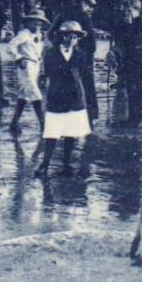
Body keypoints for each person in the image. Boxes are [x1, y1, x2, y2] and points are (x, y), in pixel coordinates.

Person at [36, 20, 92, 177]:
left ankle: (66, 164)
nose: (71, 40)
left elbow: (81, 74)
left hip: (75, 96)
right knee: (52, 132)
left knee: (71, 132)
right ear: (60, 37)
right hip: (57, 95)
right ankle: (45, 164)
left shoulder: (81, 54)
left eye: (75, 37)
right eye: (67, 36)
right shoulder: (51, 54)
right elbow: (49, 72)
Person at [7, 10, 48, 136]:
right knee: (36, 94)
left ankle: (14, 123)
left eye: (39, 24)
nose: (36, 27)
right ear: (28, 23)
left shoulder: (39, 36)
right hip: (25, 66)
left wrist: (42, 69)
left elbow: (39, 52)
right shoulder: (23, 34)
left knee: (24, 94)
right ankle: (43, 125)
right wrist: (18, 57)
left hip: (35, 66)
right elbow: (10, 46)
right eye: (34, 24)